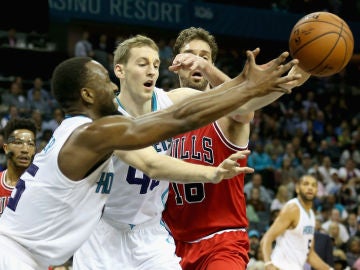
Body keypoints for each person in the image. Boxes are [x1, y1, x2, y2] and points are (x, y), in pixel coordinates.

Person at [0, 45, 300, 268]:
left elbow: (202, 108)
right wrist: (246, 87)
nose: (111, 86)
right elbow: (175, 125)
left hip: (46, 251)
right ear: (87, 95)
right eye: (103, 80)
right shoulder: (90, 133)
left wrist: (244, 85)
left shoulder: (86, 129)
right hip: (16, 254)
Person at [73, 35, 252, 270]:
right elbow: (152, 165)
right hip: (104, 230)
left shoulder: (170, 102)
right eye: (142, 64)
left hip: (151, 233)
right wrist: (213, 173)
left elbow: (242, 108)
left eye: (156, 65)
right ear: (120, 70)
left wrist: (270, 87)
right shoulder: (106, 119)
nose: (151, 71)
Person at [162, 27, 309, 270]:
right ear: (176, 61)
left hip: (222, 241)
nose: (197, 60)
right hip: (168, 242)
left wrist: (206, 68)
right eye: (190, 54)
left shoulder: (226, 113)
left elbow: (244, 109)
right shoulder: (164, 109)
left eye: (205, 56)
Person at [260, 175, 333, 270]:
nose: (310, 187)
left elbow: (310, 255)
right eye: (306, 184)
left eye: (314, 185)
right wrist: (268, 264)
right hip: (280, 266)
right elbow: (266, 239)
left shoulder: (311, 214)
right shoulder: (292, 209)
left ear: (317, 191)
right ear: (297, 189)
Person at [0, 117, 37, 216]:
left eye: (30, 144)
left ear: (34, 150)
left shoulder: (42, 185)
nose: (25, 149)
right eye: (18, 143)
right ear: (6, 148)